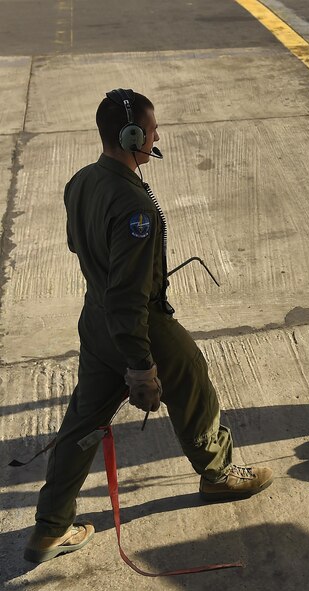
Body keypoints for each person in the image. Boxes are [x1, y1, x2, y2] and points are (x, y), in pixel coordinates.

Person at [23, 89, 273, 564]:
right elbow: (128, 292)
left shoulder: (80, 181)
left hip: (94, 320)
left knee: (83, 421)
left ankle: (50, 527)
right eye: (151, 129)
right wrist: (140, 364)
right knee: (194, 380)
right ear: (132, 136)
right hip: (137, 323)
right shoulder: (135, 207)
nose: (157, 136)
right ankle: (216, 474)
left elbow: (80, 248)